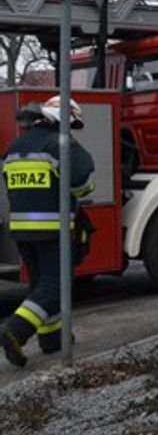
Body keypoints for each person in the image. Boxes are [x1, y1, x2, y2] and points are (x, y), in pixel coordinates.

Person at [2, 95, 95, 367]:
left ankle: (52, 339)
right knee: (56, 284)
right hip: (53, 228)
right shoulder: (60, 144)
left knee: (41, 284)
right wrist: (82, 193)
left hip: (21, 230)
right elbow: (81, 180)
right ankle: (15, 330)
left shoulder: (16, 146)